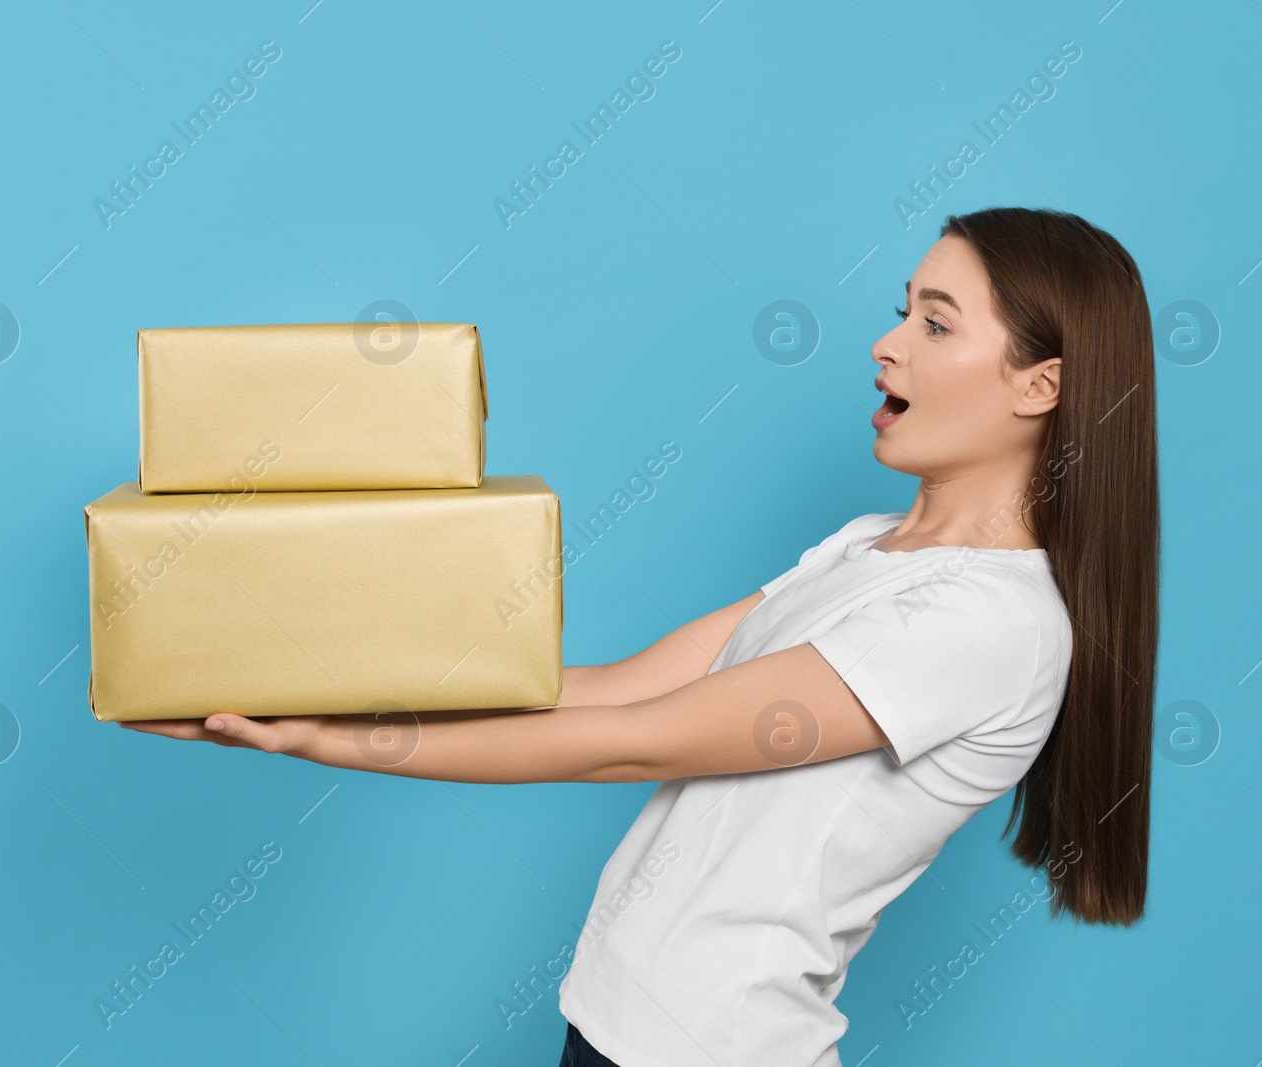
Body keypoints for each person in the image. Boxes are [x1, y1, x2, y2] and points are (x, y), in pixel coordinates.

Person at [120, 206, 1160, 1067]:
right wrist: (299, 690)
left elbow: (641, 739)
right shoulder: (865, 548)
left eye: (936, 324)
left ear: (1041, 386)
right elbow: (614, 688)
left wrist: (324, 741)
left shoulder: (988, 622)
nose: (885, 343)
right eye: (901, 313)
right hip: (618, 1030)